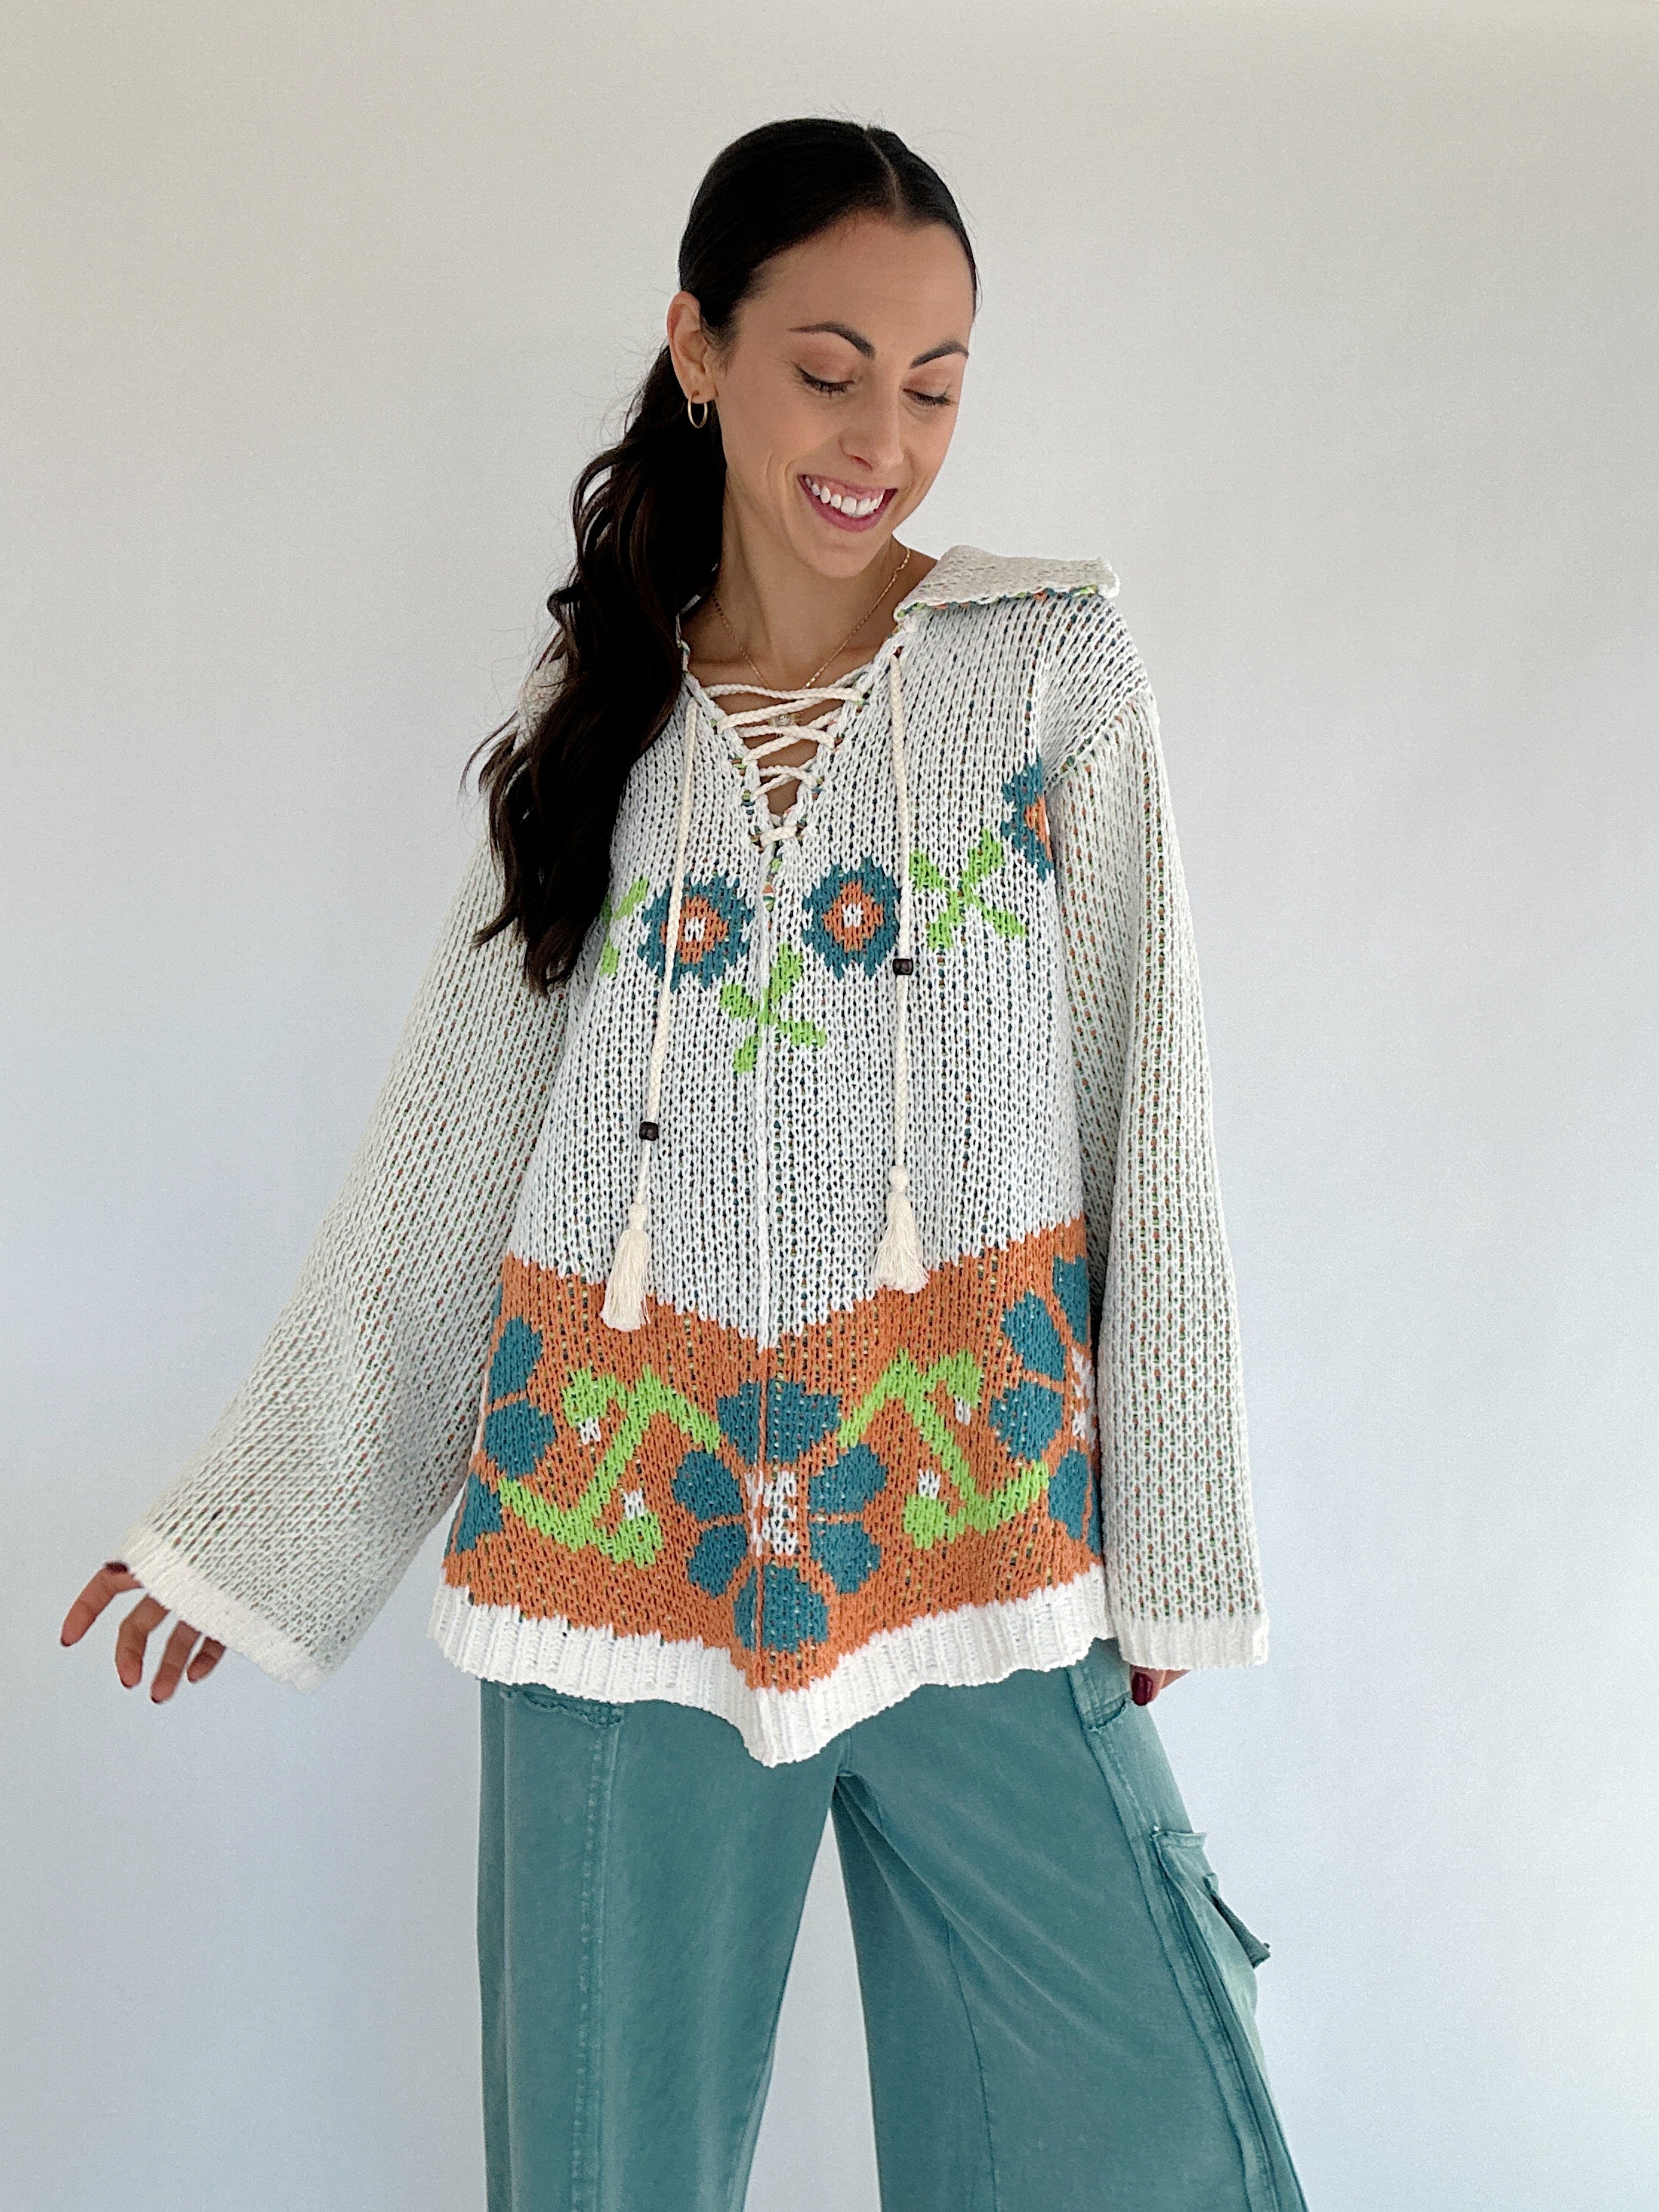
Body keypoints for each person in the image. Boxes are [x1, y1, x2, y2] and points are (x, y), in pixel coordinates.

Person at [61, 117, 1306, 2212]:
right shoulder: (602, 727)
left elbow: (1146, 1099)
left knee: (1149, 2130)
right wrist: (255, 1535)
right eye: (829, 367)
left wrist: (1163, 1522)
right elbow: (445, 1166)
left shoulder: (1048, 666)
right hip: (614, 1558)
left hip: (975, 1536)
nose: (882, 439)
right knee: (600, 2176)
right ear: (698, 345)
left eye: (934, 382)